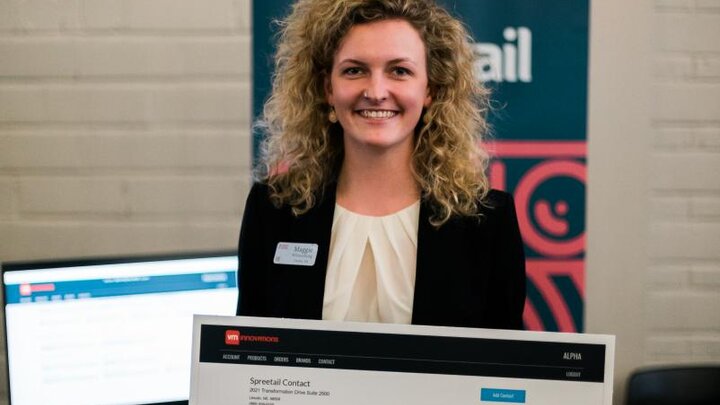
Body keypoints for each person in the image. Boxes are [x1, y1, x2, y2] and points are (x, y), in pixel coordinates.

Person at [237, 0, 526, 330]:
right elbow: (248, 359)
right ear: (328, 89)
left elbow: (505, 369)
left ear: (429, 89)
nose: (376, 92)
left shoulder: (487, 220)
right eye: (354, 70)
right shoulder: (273, 210)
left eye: (399, 71)